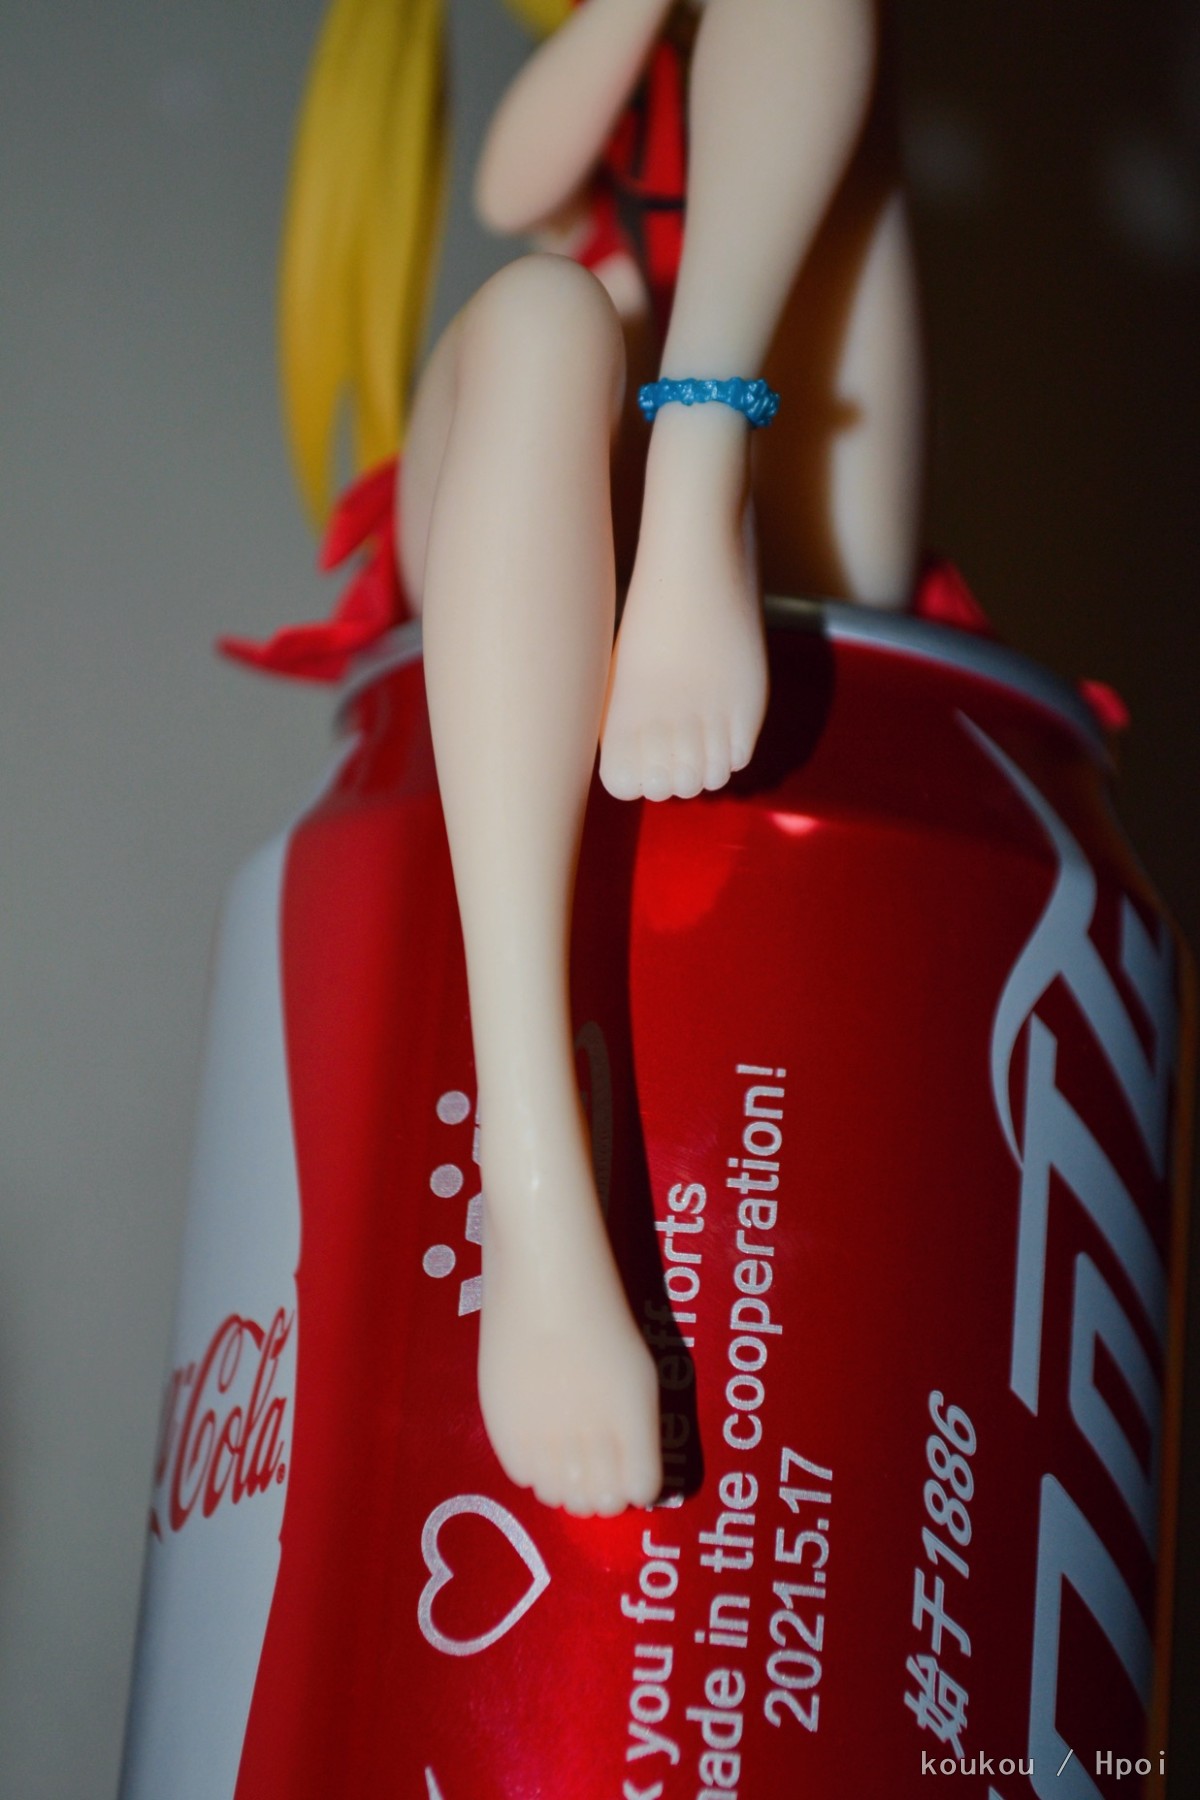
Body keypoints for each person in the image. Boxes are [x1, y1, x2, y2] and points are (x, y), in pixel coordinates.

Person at [225, 0, 924, 1516]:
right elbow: (512, 182)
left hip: (769, 528)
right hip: (527, 501)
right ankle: (530, 1195)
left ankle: (702, 456)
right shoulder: (599, 94)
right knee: (546, 309)